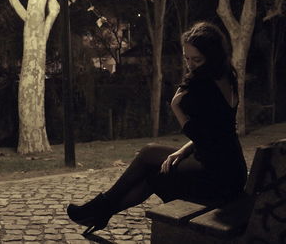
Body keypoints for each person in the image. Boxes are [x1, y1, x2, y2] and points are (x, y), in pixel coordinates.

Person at [66, 21, 248, 235]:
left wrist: (176, 107)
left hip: (217, 177)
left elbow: (204, 135)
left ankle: (100, 208)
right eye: (186, 58)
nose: (190, 64)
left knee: (151, 164)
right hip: (232, 172)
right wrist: (181, 151)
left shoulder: (205, 85)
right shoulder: (227, 76)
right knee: (152, 161)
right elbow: (218, 131)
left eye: (197, 59)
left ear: (212, 55)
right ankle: (101, 210)